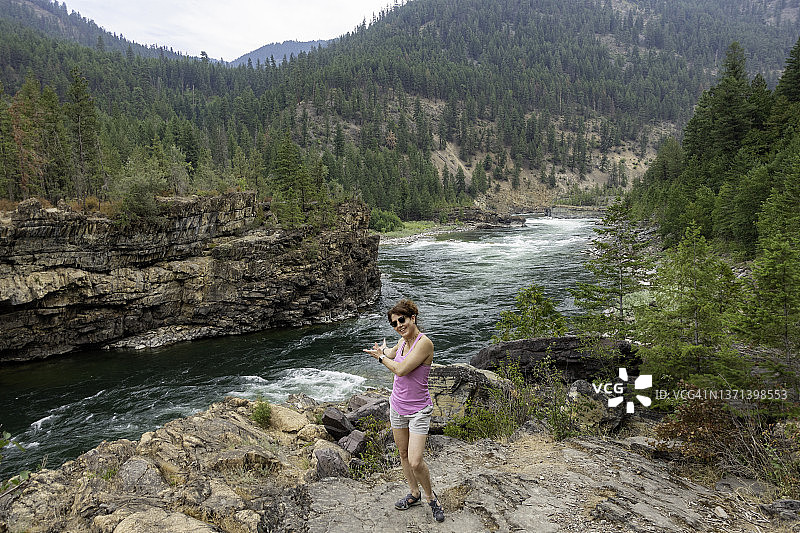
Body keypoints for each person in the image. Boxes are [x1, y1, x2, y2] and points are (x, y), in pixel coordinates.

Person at [363, 298, 445, 523]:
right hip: (397, 406)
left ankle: (430, 498)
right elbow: (392, 354)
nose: (399, 325)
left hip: (419, 410)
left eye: (402, 320)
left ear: (413, 318)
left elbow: (400, 370)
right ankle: (414, 493)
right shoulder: (402, 341)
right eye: (394, 323)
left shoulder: (423, 343)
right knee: (403, 454)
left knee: (416, 460)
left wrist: (379, 358)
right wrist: (382, 351)